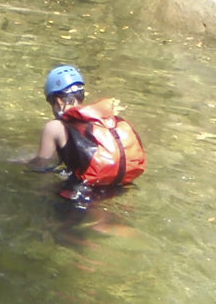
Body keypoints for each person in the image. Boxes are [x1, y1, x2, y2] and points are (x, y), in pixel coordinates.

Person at [24, 64, 146, 202]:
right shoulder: (103, 121)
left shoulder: (54, 127)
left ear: (57, 101)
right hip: (120, 187)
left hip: (83, 191)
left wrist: (21, 163)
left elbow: (42, 166)